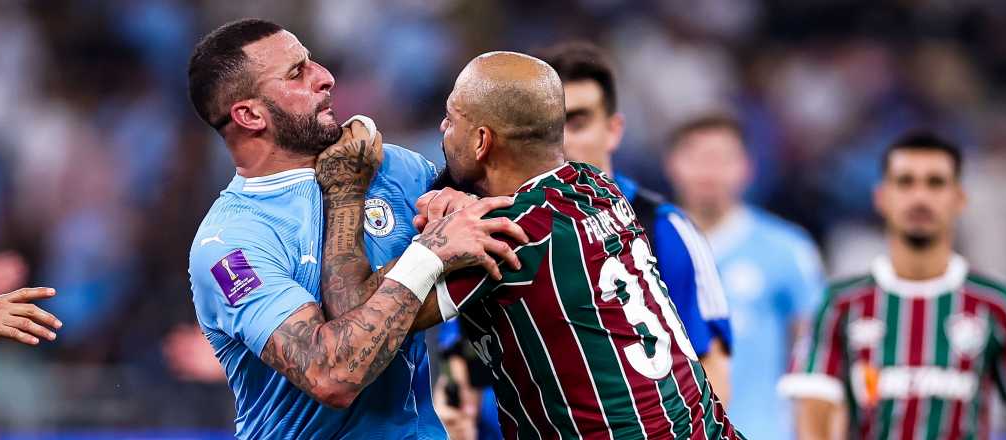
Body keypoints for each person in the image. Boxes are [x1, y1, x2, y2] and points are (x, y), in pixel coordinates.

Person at [326, 50, 744, 439]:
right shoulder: (596, 186)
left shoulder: (503, 237)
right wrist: (460, 201)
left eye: (451, 119)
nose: (442, 129)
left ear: (482, 141)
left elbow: (357, 323)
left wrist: (346, 191)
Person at [186, 19, 525, 439]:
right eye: (297, 73)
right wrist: (429, 255)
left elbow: (499, 235)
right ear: (250, 114)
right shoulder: (230, 243)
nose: (325, 77)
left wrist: (461, 204)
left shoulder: (393, 168)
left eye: (311, 61)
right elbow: (333, 375)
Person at [778, 131, 1006, 439]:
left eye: (935, 183)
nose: (920, 197)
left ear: (960, 199)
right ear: (881, 197)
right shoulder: (840, 304)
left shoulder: (995, 303)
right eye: (905, 182)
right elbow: (814, 407)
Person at [538, 42, 733, 404]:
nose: (562, 142)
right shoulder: (496, 231)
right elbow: (463, 371)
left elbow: (712, 372)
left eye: (577, 123)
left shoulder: (665, 230)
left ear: (613, 130)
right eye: (550, 127)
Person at [664, 114, 825, 439]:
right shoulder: (642, 245)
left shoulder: (787, 248)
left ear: (747, 168)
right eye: (697, 157)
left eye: (722, 158)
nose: (709, 171)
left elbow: (817, 353)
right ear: (672, 165)